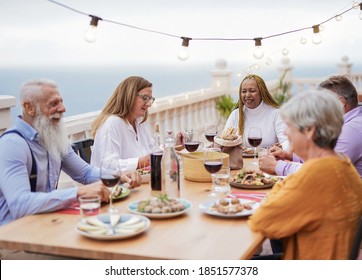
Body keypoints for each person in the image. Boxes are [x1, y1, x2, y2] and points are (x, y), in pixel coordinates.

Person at [0, 79, 140, 227]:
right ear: (29, 108)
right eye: (54, 104)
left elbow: (85, 173)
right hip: (13, 236)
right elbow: (19, 205)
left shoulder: (51, 136)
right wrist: (79, 193)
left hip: (45, 223)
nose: (62, 108)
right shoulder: (13, 144)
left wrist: (118, 176)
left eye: (61, 102)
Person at [248, 90, 362, 260]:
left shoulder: (316, 174)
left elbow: (261, 222)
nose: (286, 133)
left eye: (290, 126)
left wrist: (283, 179)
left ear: (309, 130)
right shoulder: (341, 163)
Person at [259, 75, 362, 177]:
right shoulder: (351, 123)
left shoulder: (351, 130)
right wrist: (291, 156)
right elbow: (322, 159)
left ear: (340, 103)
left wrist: (277, 166)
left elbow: (322, 171)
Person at [90, 76, 155, 171]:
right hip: (114, 184)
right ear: (129, 96)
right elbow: (108, 165)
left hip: (138, 181)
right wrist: (140, 162)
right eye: (145, 98)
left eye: (150, 99)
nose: (149, 104)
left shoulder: (139, 121)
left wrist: (174, 146)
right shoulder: (112, 123)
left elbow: (152, 150)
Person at [224, 74, 289, 150]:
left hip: (268, 159)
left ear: (262, 93)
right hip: (243, 160)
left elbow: (287, 143)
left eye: (252, 91)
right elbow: (224, 141)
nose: (247, 95)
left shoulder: (276, 113)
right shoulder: (235, 114)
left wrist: (279, 149)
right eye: (244, 91)